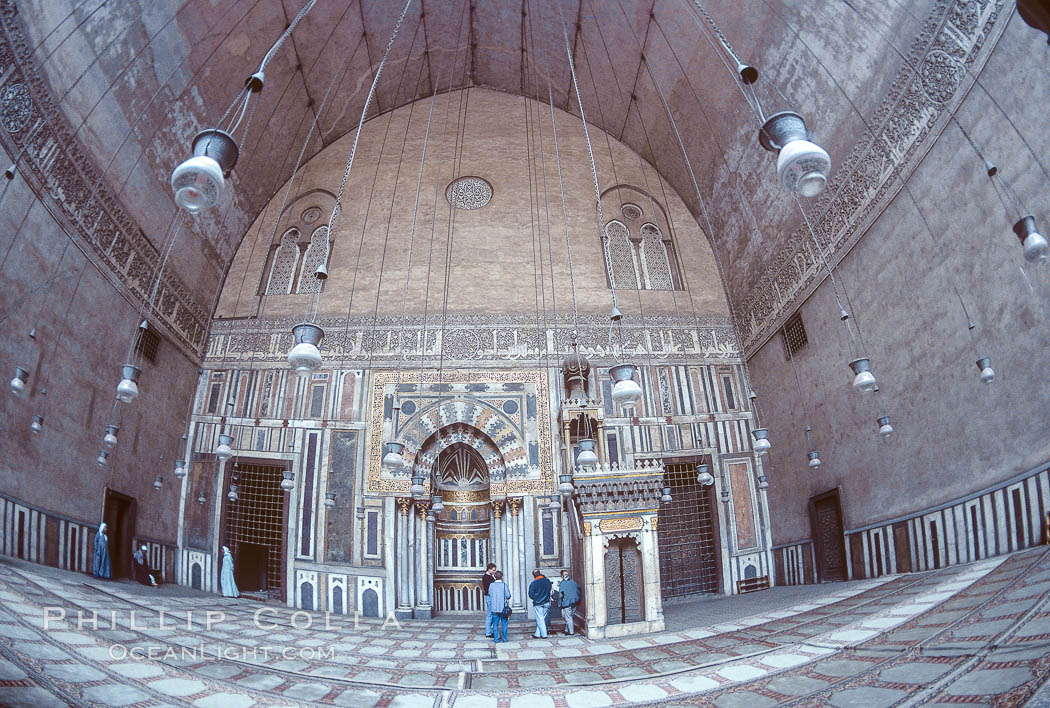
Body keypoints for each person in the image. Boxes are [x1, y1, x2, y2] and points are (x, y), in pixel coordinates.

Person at [487, 570, 511, 643]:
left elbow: (489, 594)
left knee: (495, 624)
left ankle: (496, 639)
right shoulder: (504, 585)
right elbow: (508, 596)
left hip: (494, 608)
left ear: (495, 577)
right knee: (504, 624)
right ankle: (504, 639)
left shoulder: (491, 585)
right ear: (502, 577)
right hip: (503, 608)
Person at [528, 568, 552, 638]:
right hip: (547, 601)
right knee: (542, 619)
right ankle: (537, 634)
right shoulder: (547, 581)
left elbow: (531, 595)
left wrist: (536, 598)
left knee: (540, 619)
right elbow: (549, 590)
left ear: (533, 576)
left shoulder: (533, 583)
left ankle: (544, 635)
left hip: (538, 603)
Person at [557, 569, 581, 636]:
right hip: (574, 602)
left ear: (562, 576)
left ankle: (571, 632)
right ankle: (566, 630)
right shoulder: (573, 582)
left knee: (568, 618)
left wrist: (559, 604)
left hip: (567, 603)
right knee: (570, 617)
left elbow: (560, 595)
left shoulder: (562, 583)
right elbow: (579, 591)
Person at [481, 562, 497, 637]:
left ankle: (489, 631)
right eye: (493, 570)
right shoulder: (486, 577)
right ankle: (488, 632)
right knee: (490, 615)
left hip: (490, 597)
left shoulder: (490, 576)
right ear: (489, 569)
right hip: (489, 597)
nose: (494, 571)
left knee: (491, 614)